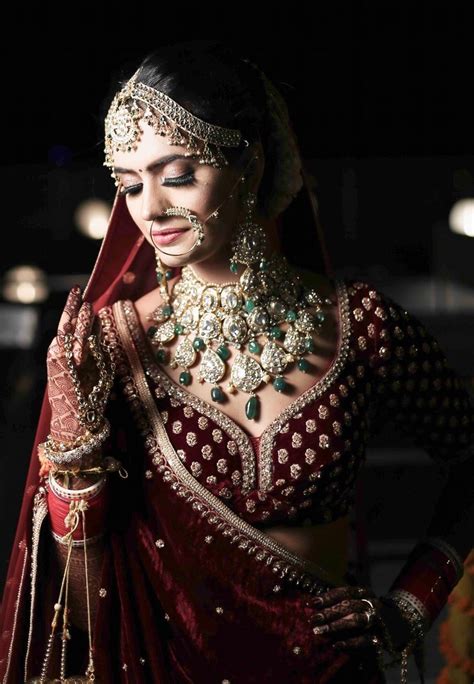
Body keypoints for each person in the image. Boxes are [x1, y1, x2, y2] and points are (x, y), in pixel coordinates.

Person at [0, 38, 473, 684]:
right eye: (130, 183)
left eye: (178, 175)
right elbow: (88, 609)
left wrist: (410, 603)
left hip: (329, 671)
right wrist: (74, 450)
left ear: (249, 164)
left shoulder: (359, 325)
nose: (151, 210)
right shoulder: (111, 345)